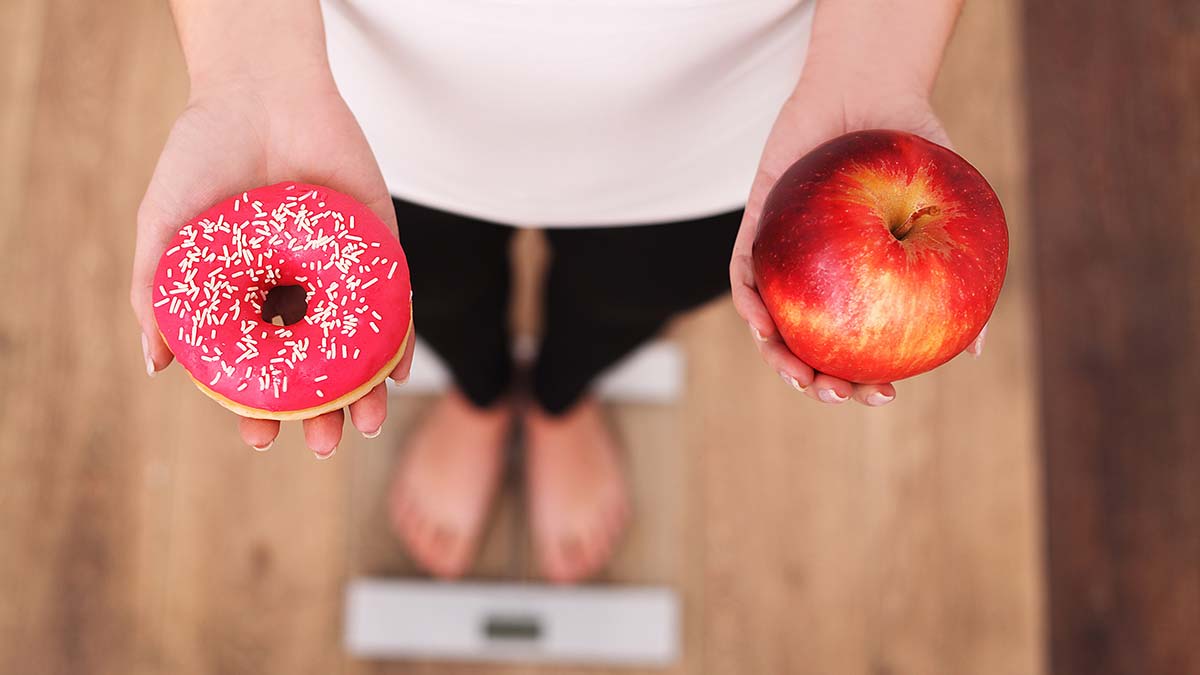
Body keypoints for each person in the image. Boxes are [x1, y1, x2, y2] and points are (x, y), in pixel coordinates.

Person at [131, 0, 984, 583]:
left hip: (743, 115)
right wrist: (245, 68)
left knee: (628, 296)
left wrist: (876, 63)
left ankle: (562, 396)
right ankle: (478, 391)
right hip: (346, 99)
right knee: (431, 292)